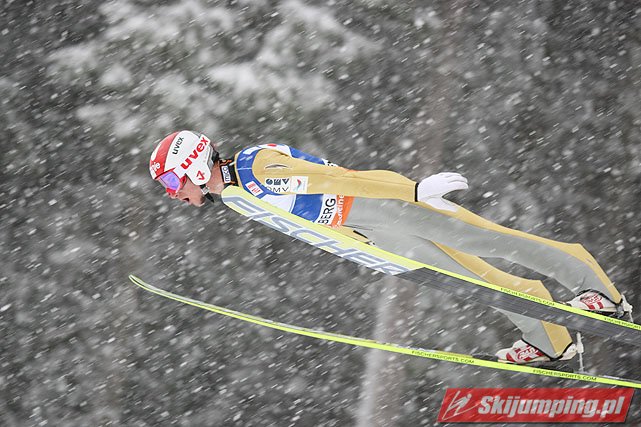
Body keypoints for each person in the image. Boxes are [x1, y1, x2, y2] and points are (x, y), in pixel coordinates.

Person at [149, 130, 632, 365]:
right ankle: (550, 338)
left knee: (490, 240)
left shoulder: (254, 169)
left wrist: (412, 190)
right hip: (369, 227)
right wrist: (359, 241)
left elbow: (340, 180)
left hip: (383, 205)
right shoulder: (236, 195)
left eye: (172, 182)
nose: (173, 194)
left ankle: (599, 292)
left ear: (194, 166)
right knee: (468, 279)